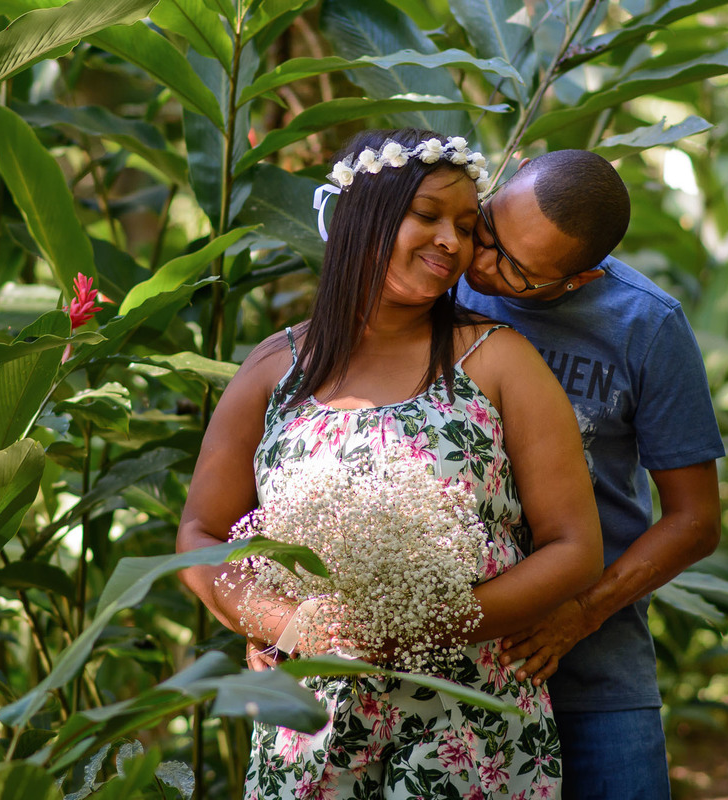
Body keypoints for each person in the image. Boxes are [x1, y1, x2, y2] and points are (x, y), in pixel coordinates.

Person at [176, 128, 603, 799]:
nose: (451, 242)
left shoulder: (499, 360)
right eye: (427, 215)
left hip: (469, 721)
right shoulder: (274, 368)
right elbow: (200, 535)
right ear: (360, 215)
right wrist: (281, 622)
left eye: (467, 228)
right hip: (310, 728)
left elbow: (574, 548)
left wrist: (432, 626)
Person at [457, 150, 724, 799]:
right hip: (453, 667)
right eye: (487, 230)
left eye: (515, 271)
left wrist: (582, 613)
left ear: (580, 278)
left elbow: (695, 521)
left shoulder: (647, 324)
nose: (482, 265)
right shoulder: (446, 275)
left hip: (594, 670)